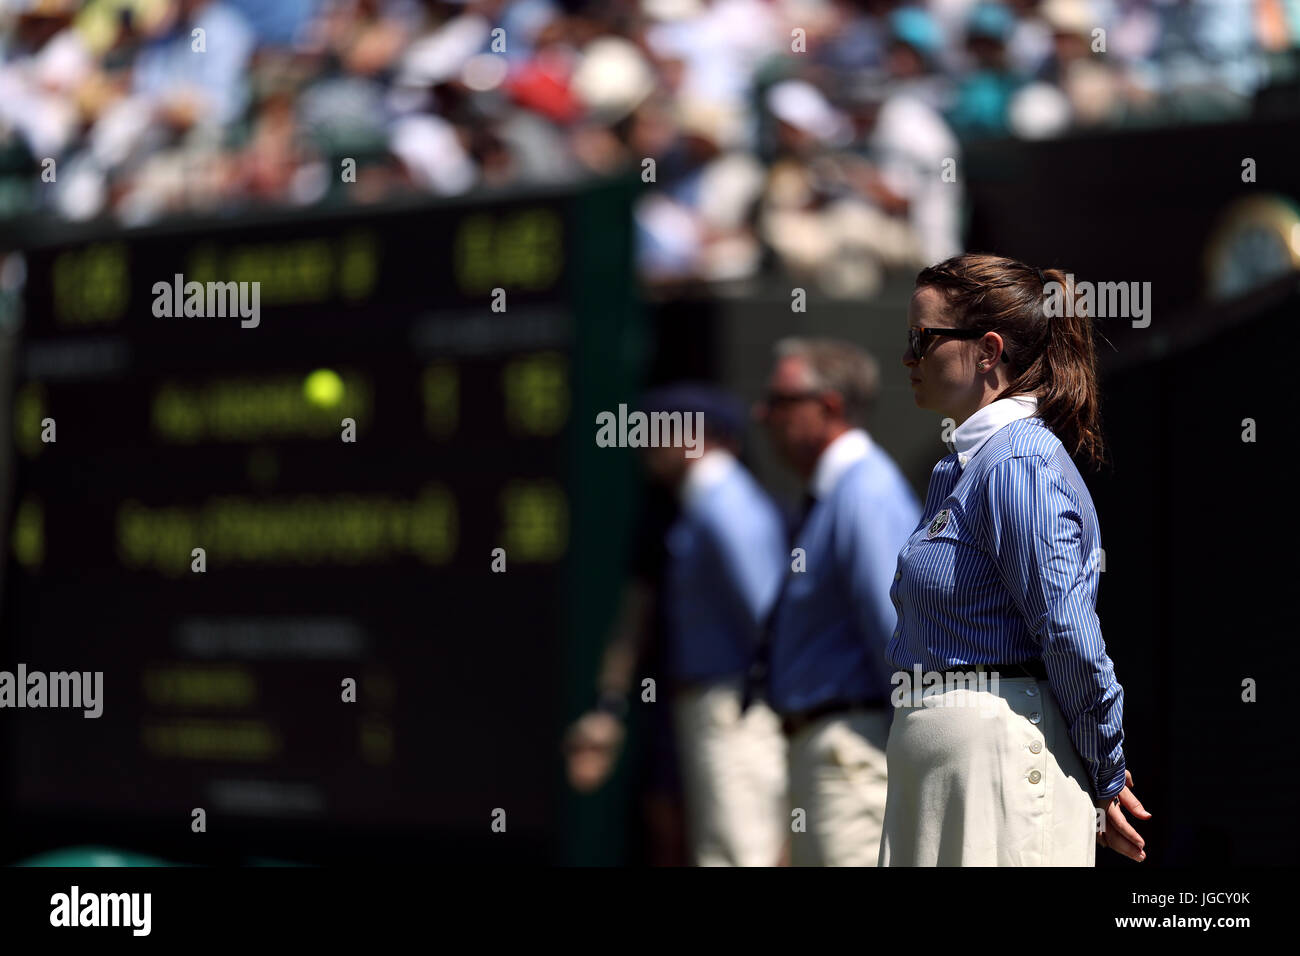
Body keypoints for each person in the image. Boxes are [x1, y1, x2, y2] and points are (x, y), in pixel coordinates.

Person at [882, 252, 1150, 866]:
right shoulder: (964, 463)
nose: (907, 357)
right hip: (952, 763)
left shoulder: (1017, 463)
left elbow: (1068, 631)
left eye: (923, 339)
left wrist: (1105, 774)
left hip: (998, 757)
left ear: (988, 350)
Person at [565, 384, 789, 866]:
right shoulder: (699, 502)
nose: (645, 443)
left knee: (739, 850)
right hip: (718, 706)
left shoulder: (723, 503)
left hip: (736, 707)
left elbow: (768, 617)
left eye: (658, 431)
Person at [751, 339, 921, 866]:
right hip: (832, 754)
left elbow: (898, 631)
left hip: (854, 754)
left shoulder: (864, 492)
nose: (763, 415)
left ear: (827, 407)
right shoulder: (840, 491)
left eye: (780, 401)